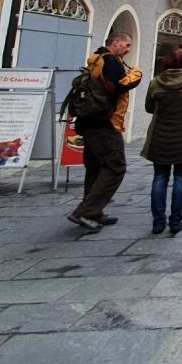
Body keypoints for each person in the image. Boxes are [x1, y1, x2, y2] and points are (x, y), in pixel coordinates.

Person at [68, 33, 143, 230]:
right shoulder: (110, 62)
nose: (128, 49)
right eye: (126, 45)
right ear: (115, 43)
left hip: (90, 121)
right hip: (105, 122)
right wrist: (136, 75)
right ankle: (86, 211)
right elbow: (117, 87)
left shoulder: (96, 60)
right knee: (115, 167)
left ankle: (93, 210)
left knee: (95, 168)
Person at [141, 49, 182, 235]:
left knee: (159, 177)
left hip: (159, 135)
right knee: (181, 177)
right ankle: (176, 221)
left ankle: (158, 223)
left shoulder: (156, 82)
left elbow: (149, 108)